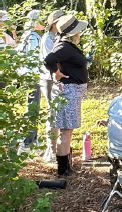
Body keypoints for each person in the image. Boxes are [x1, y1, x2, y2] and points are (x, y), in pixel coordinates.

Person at [44, 14, 90, 177]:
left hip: (71, 92)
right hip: (68, 92)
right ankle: (62, 171)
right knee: (65, 131)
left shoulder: (66, 45)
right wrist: (56, 73)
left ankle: (66, 166)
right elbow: (48, 59)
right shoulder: (63, 46)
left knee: (67, 131)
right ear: (73, 33)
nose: (80, 33)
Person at [39, 10, 67, 161]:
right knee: (53, 112)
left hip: (58, 78)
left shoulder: (58, 37)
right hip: (49, 79)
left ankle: (58, 148)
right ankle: (51, 150)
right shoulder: (46, 39)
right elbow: (50, 61)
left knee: (58, 111)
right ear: (54, 23)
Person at [15, 10, 46, 148]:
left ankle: (32, 139)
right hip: (33, 76)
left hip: (27, 75)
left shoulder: (27, 35)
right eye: (42, 20)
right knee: (33, 107)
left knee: (32, 105)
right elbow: (34, 58)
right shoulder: (33, 37)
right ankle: (28, 142)